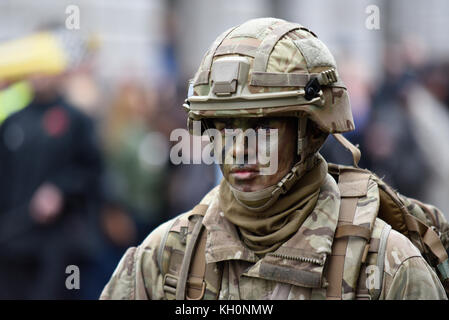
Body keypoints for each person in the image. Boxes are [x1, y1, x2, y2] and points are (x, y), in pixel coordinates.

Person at [100, 18, 449, 300]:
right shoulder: (166, 258)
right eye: (223, 129)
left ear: (310, 132)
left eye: (262, 130)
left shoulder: (386, 266)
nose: (238, 150)